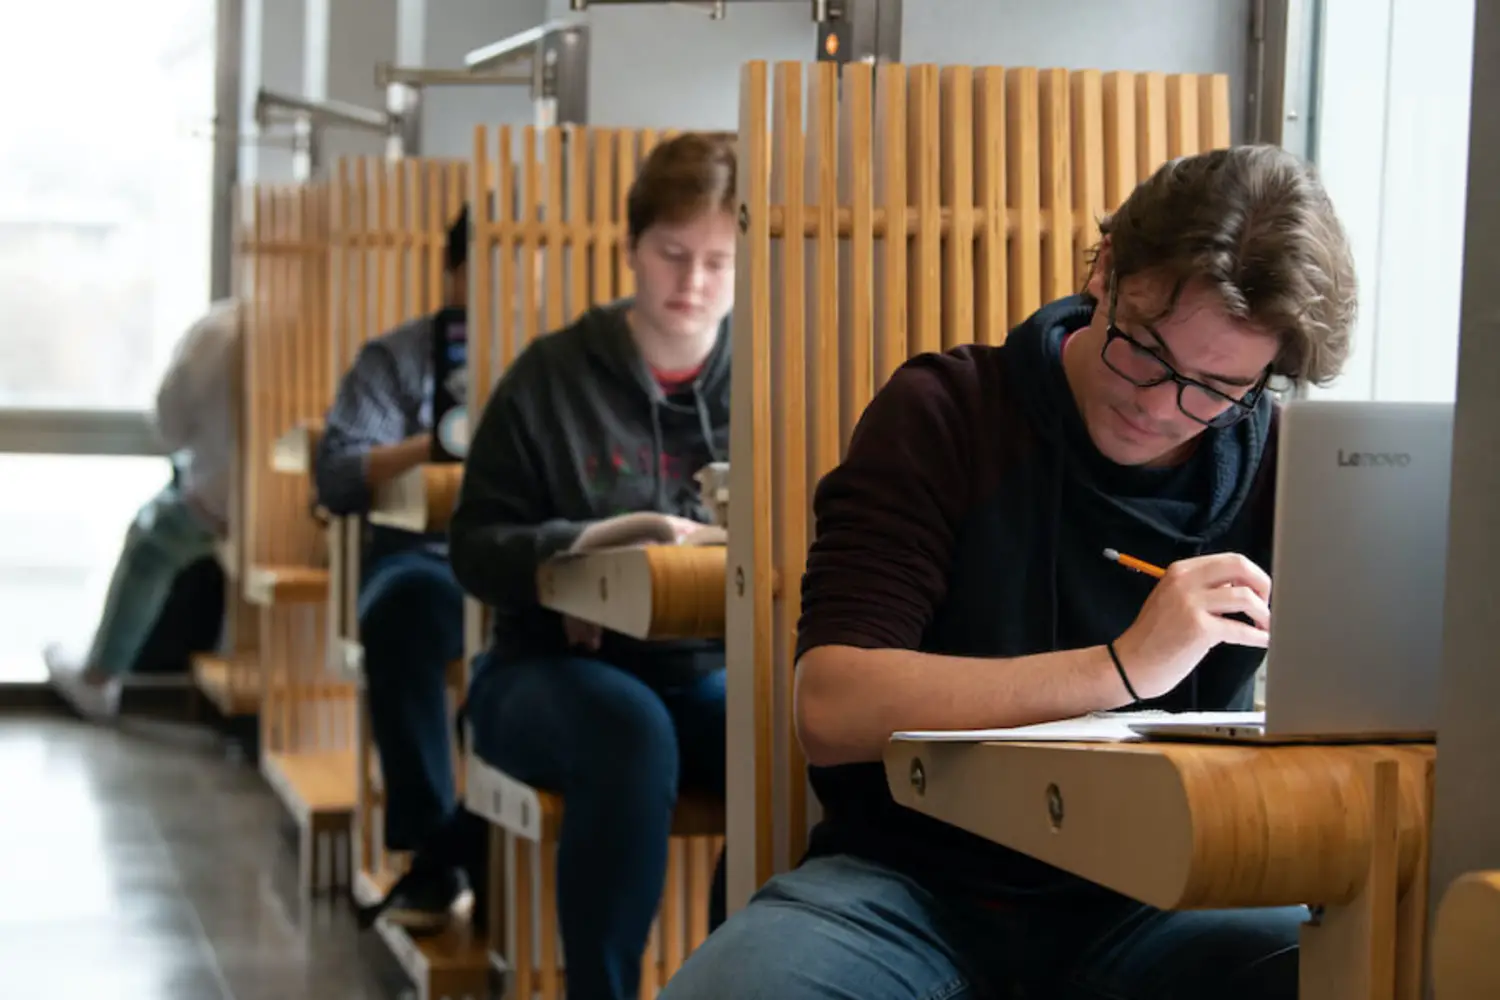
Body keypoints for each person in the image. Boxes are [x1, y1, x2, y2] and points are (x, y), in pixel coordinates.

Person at [659, 144, 1358, 999]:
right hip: (912, 883)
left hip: (1164, 894)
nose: (1161, 404)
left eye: (1217, 388)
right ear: (1105, 271)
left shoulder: (1282, 466)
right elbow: (833, 704)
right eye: (1144, 349)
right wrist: (1122, 669)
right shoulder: (947, 413)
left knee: (1350, 970)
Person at [379, 132, 736, 994]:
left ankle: (741, 978)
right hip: (541, 673)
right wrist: (577, 552)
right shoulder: (551, 376)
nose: (692, 283)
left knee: (788, 732)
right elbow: (473, 546)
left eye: (719, 262)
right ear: (631, 250)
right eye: (673, 254)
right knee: (630, 730)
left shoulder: (764, 380)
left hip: (708, 670)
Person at [311, 207, 471, 927]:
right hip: (422, 561)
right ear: (454, 272)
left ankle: (489, 852)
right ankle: (435, 844)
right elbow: (338, 475)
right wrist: (433, 446)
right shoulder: (397, 357)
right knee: (403, 609)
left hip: (532, 568)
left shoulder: (561, 362)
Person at [45, 299, 242, 720]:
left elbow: (169, 426)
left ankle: (98, 678)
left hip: (223, 504)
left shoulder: (222, 329)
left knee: (151, 543)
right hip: (313, 508)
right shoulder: (334, 326)